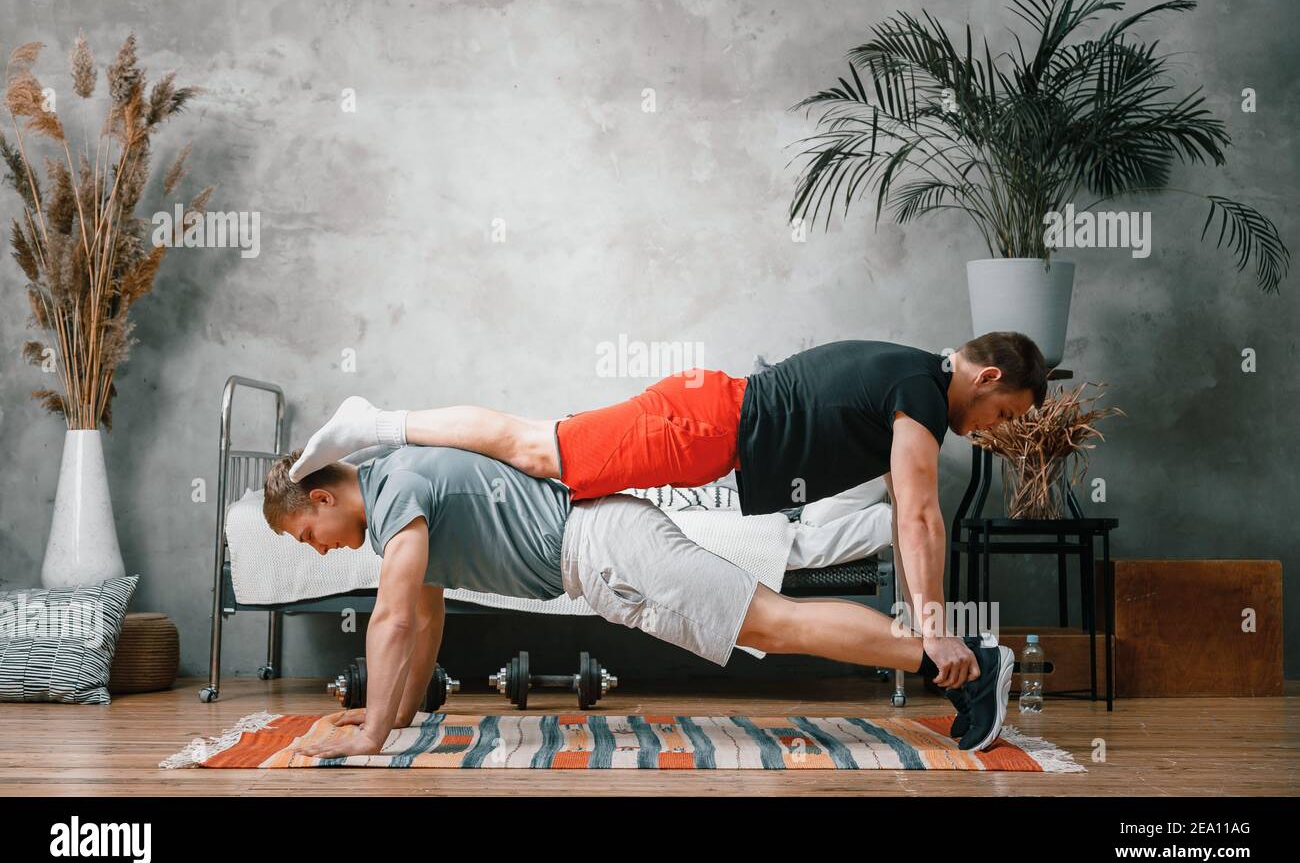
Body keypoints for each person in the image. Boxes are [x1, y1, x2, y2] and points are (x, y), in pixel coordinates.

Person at [286, 332, 1045, 715]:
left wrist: (930, 626)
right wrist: (935, 626)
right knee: (530, 445)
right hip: (702, 423)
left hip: (704, 433)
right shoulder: (919, 386)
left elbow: (912, 512)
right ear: (983, 378)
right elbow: (916, 513)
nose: (992, 430)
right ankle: (374, 421)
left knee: (537, 449)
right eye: (1002, 414)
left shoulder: (909, 377)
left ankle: (379, 422)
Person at [261, 445, 1015, 761]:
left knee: (777, 625)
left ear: (324, 496)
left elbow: (392, 619)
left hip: (610, 549)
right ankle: (955, 660)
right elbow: (424, 617)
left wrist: (366, 744)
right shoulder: (400, 493)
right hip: (604, 558)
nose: (319, 548)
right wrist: (395, 719)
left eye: (308, 533)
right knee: (773, 629)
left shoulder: (395, 493)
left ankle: (965, 660)